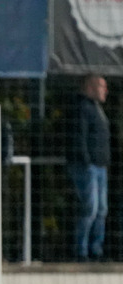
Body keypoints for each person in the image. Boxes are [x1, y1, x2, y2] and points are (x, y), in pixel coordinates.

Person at [66, 74, 111, 262]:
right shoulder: (82, 108)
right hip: (88, 166)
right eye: (102, 86)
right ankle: (81, 250)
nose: (105, 91)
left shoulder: (97, 109)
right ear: (90, 88)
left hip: (100, 166)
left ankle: (96, 249)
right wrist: (86, 161)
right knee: (90, 209)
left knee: (101, 209)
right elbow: (80, 136)